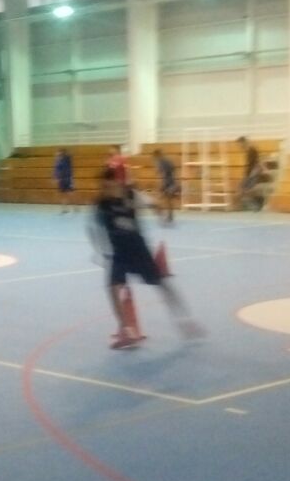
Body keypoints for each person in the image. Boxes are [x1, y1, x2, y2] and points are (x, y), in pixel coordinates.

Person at [90, 167, 201, 350]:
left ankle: (185, 321)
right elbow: (94, 228)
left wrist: (160, 215)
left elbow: (154, 204)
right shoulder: (102, 204)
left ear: (116, 182)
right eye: (103, 185)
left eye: (108, 184)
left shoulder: (131, 196)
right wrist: (99, 251)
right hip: (118, 253)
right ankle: (126, 331)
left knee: (162, 285)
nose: (105, 188)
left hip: (138, 250)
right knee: (112, 288)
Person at [153, 149, 180, 225]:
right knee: (168, 200)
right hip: (172, 182)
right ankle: (170, 216)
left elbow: (162, 174)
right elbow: (174, 171)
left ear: (157, 155)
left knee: (159, 200)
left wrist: (162, 185)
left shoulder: (160, 162)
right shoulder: (168, 161)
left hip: (166, 183)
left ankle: (163, 217)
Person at [237, 136, 264, 211]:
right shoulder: (247, 150)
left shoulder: (252, 150)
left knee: (247, 189)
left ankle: (259, 201)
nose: (239, 146)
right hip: (248, 172)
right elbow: (249, 163)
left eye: (240, 144)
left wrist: (255, 172)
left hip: (253, 172)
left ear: (244, 142)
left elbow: (257, 161)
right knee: (243, 189)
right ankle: (257, 202)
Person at [53, 148, 74, 213]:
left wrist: (66, 153)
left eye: (59, 154)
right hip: (61, 180)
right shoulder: (57, 162)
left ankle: (75, 206)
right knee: (62, 194)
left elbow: (69, 156)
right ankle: (64, 209)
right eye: (57, 154)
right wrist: (55, 178)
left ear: (62, 154)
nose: (57, 155)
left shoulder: (66, 160)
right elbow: (56, 170)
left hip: (68, 179)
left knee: (70, 193)